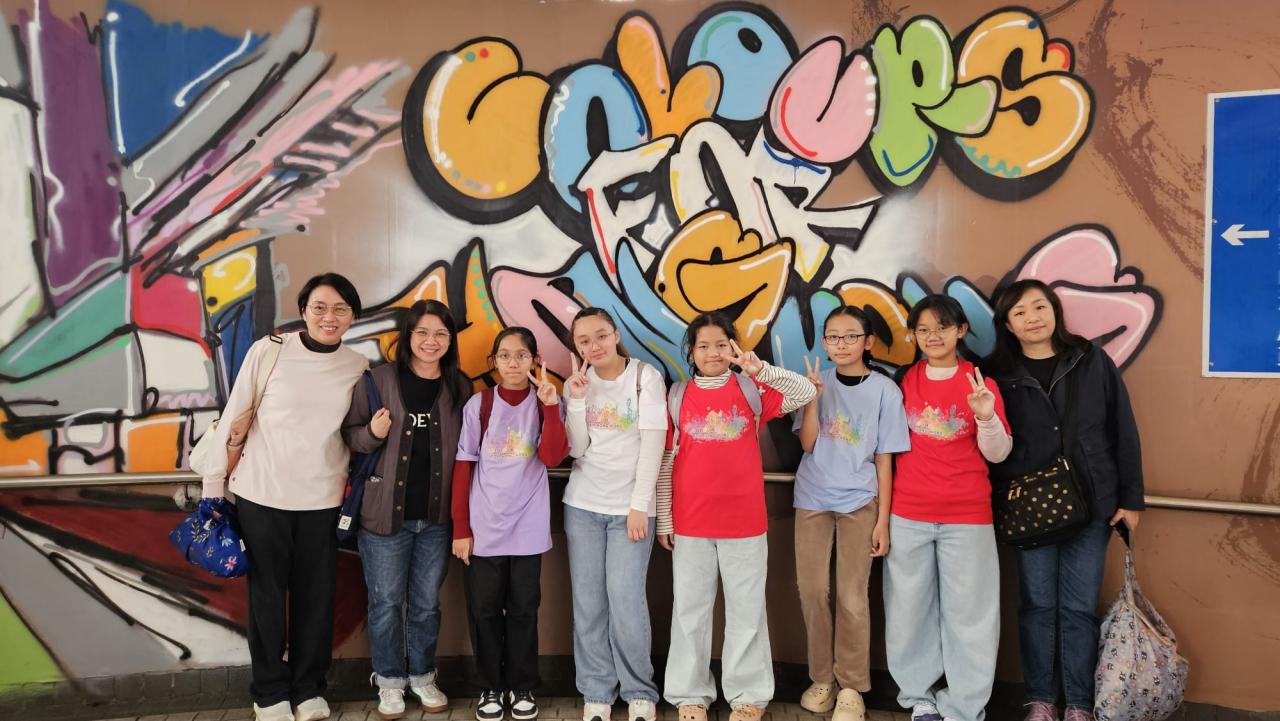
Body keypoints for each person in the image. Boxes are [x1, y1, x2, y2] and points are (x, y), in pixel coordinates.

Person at [200, 273, 369, 721]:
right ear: (303, 310)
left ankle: (308, 689)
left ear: (352, 316)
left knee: (317, 599)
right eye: (319, 307)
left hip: (323, 499)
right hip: (262, 494)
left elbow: (355, 433)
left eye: (340, 309)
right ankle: (270, 692)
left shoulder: (358, 366)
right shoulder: (270, 351)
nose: (329, 317)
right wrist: (214, 485)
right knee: (267, 599)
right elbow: (235, 414)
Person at [983, 279, 1144, 721]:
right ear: (1008, 325)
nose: (1032, 318)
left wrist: (1130, 498)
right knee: (1037, 607)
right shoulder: (996, 374)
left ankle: (1078, 704)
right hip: (1029, 510)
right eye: (1019, 312)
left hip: (1092, 505)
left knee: (1078, 608)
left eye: (1040, 307)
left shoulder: (1090, 360)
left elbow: (1123, 428)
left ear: (1055, 311)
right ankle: (1040, 700)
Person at [656, 312, 817, 721]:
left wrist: (760, 369)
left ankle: (748, 696)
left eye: (721, 345)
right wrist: (664, 519)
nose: (712, 353)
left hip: (744, 522)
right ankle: (689, 694)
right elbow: (666, 461)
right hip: (690, 523)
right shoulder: (676, 396)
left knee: (747, 612)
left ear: (733, 348)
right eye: (703, 346)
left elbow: (803, 391)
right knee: (689, 611)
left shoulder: (751, 390)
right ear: (691, 352)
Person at [342, 300, 472, 720]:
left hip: (436, 519)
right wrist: (371, 433)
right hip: (384, 518)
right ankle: (389, 680)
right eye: (422, 332)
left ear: (450, 340)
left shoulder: (459, 386)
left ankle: (422, 676)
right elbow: (350, 436)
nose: (431, 341)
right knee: (385, 604)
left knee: (426, 604)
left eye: (440, 334)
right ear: (408, 336)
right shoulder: (377, 380)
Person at [884, 294, 1011, 721]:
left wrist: (986, 417)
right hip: (908, 513)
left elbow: (998, 453)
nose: (932, 336)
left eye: (942, 327)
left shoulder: (980, 383)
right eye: (922, 329)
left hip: (968, 515)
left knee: (971, 615)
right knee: (908, 611)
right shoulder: (904, 380)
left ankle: (964, 707)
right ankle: (918, 698)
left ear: (961, 330)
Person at [793, 306, 910, 721]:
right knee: (812, 591)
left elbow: (885, 460)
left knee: (852, 597)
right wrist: (812, 399)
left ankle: (852, 686)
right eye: (833, 336)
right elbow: (808, 444)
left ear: (868, 341)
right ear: (824, 342)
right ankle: (821, 678)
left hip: (861, 501)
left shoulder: (885, 391)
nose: (841, 344)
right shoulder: (815, 382)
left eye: (850, 336)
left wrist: (883, 521)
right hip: (812, 498)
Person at [451, 328, 569, 721]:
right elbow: (464, 465)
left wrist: (550, 406)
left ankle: (521, 686)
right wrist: (461, 528)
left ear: (535, 361)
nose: (513, 363)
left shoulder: (546, 402)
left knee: (523, 609)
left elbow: (553, 456)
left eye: (521, 355)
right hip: (484, 528)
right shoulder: (480, 404)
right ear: (494, 361)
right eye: (504, 355)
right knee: (484, 610)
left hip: (528, 529)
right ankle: (490, 687)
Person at [563, 308, 666, 721]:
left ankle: (639, 690)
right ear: (576, 347)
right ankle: (597, 692)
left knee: (626, 600)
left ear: (616, 334)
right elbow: (576, 449)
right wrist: (575, 400)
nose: (594, 346)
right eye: (584, 340)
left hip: (631, 511)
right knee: (589, 603)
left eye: (601, 335)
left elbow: (654, 445)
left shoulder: (645, 377)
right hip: (583, 506)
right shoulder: (578, 384)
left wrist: (640, 505)